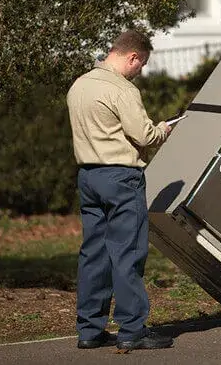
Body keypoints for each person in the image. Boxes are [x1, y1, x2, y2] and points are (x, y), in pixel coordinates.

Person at [67, 29, 174, 349]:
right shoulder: (122, 90)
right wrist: (164, 129)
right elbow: (144, 135)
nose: (140, 72)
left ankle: (89, 330)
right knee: (127, 253)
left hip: (88, 177)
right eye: (141, 65)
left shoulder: (79, 85)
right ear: (133, 57)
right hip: (121, 178)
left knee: (94, 253)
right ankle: (132, 330)